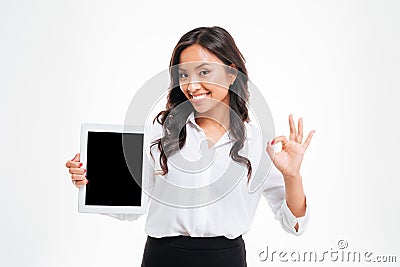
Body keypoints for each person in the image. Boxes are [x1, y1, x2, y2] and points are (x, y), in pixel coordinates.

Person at [65, 26, 315, 267]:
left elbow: (293, 224)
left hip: (227, 260)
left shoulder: (260, 144)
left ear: (231, 74)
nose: (192, 86)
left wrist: (292, 176)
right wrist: (90, 180)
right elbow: (132, 209)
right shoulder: (159, 136)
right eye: (184, 75)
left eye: (204, 72)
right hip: (162, 258)